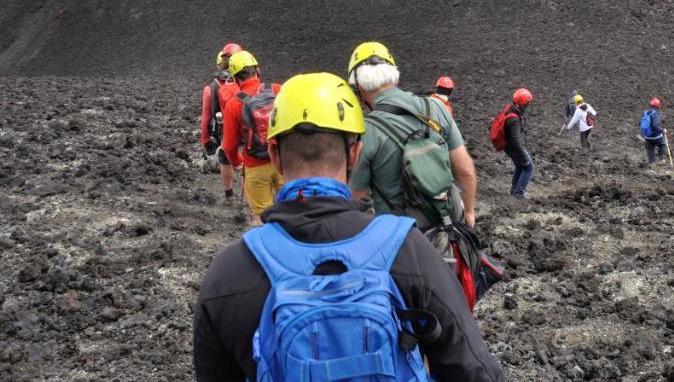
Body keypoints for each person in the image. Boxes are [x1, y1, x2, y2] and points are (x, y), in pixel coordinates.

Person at [193, 72, 507, 381]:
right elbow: (474, 369)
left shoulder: (229, 273)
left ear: (274, 156)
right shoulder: (408, 251)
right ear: (355, 153)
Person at [346, 42, 477, 230]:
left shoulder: (365, 131)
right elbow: (465, 171)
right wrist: (469, 212)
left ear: (358, 87)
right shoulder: (437, 107)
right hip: (447, 227)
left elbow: (358, 199)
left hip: (399, 242)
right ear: (394, 77)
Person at [218, 49, 282, 222]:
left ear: (236, 78)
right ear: (257, 70)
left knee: (262, 219)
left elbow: (229, 145)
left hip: (254, 166)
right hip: (284, 163)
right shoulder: (278, 90)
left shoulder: (234, 104)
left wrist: (239, 162)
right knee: (294, 211)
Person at [199, 42, 241, 202]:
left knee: (225, 158)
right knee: (249, 163)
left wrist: (205, 139)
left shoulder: (211, 88)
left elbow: (206, 117)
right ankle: (249, 196)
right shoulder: (246, 81)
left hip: (225, 131)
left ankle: (229, 195)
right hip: (246, 129)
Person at [499, 88, 534, 197]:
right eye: (527, 103)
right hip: (513, 147)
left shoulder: (510, 108)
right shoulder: (514, 119)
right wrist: (523, 158)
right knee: (529, 168)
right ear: (523, 103)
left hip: (508, 146)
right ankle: (518, 193)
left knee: (519, 166)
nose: (528, 105)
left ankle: (513, 190)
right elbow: (516, 140)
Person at [639, 96, 668, 165]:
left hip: (647, 136)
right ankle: (662, 159)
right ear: (658, 106)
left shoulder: (645, 112)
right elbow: (655, 126)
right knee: (662, 145)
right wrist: (662, 130)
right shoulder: (656, 113)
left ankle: (652, 163)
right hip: (656, 136)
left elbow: (640, 123)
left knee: (650, 149)